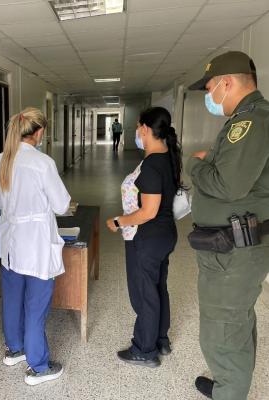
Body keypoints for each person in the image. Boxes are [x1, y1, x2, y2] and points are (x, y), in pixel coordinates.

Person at [186, 51, 269, 400]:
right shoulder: (247, 118)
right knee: (235, 322)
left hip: (234, 252)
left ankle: (229, 392)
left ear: (227, 83)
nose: (209, 96)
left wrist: (195, 165)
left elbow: (227, 185)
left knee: (222, 331)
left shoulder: (250, 122)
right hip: (234, 247)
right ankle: (229, 387)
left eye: (210, 88)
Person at [0, 107, 71, 386]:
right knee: (35, 306)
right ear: (40, 132)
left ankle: (15, 350)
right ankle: (39, 366)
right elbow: (61, 205)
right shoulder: (42, 162)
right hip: (35, 244)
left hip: (9, 242)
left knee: (12, 298)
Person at [106, 107, 182, 368]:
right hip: (165, 234)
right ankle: (161, 339)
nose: (136, 132)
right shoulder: (168, 157)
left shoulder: (151, 165)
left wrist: (118, 221)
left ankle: (144, 349)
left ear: (146, 129)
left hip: (147, 238)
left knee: (144, 293)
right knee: (158, 287)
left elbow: (148, 212)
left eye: (138, 126)